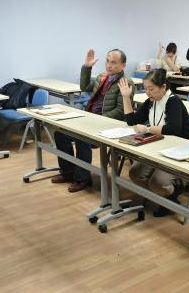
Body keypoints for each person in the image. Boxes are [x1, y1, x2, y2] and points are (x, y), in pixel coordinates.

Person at [52, 49, 135, 192]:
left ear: (123, 66)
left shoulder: (126, 83)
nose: (109, 65)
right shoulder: (102, 77)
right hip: (90, 120)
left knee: (82, 139)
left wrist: (97, 119)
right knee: (60, 134)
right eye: (107, 61)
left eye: (114, 62)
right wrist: (87, 67)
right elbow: (84, 87)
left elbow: (121, 111)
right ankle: (68, 173)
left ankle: (83, 178)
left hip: (109, 126)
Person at [118, 69, 189, 217]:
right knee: (135, 173)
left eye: (151, 89)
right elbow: (131, 120)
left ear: (163, 87)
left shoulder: (173, 102)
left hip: (179, 151)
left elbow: (174, 129)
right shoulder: (151, 101)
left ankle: (171, 196)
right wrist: (126, 97)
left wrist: (147, 128)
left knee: (157, 181)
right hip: (159, 149)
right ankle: (163, 197)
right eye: (145, 89)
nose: (148, 93)